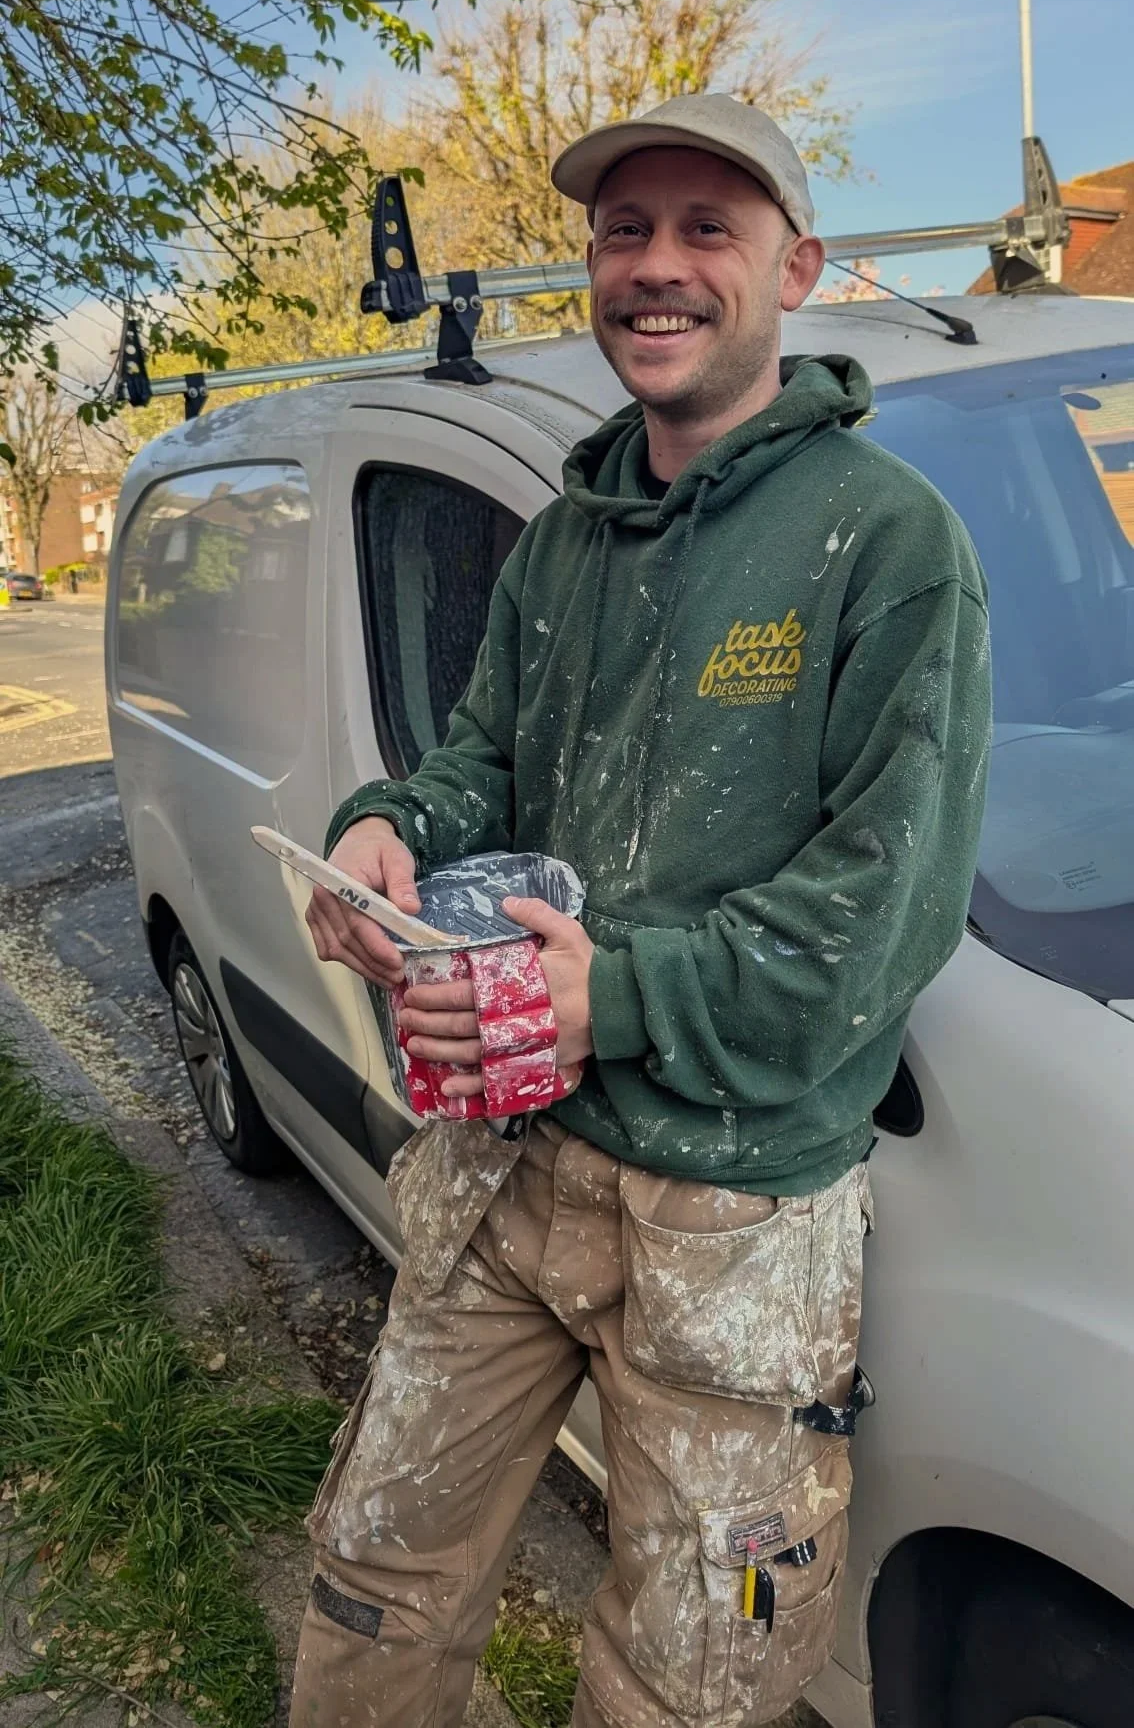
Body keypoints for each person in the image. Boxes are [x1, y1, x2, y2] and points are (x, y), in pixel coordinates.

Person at [291, 93, 992, 1728]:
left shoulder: (887, 542)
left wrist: (615, 996)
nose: (655, 266)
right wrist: (386, 828)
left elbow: (881, 912)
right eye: (623, 231)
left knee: (692, 1679)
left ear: (792, 270)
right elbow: (482, 758)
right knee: (375, 1571)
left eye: (704, 230)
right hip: (507, 1160)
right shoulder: (562, 540)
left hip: (730, 1218)